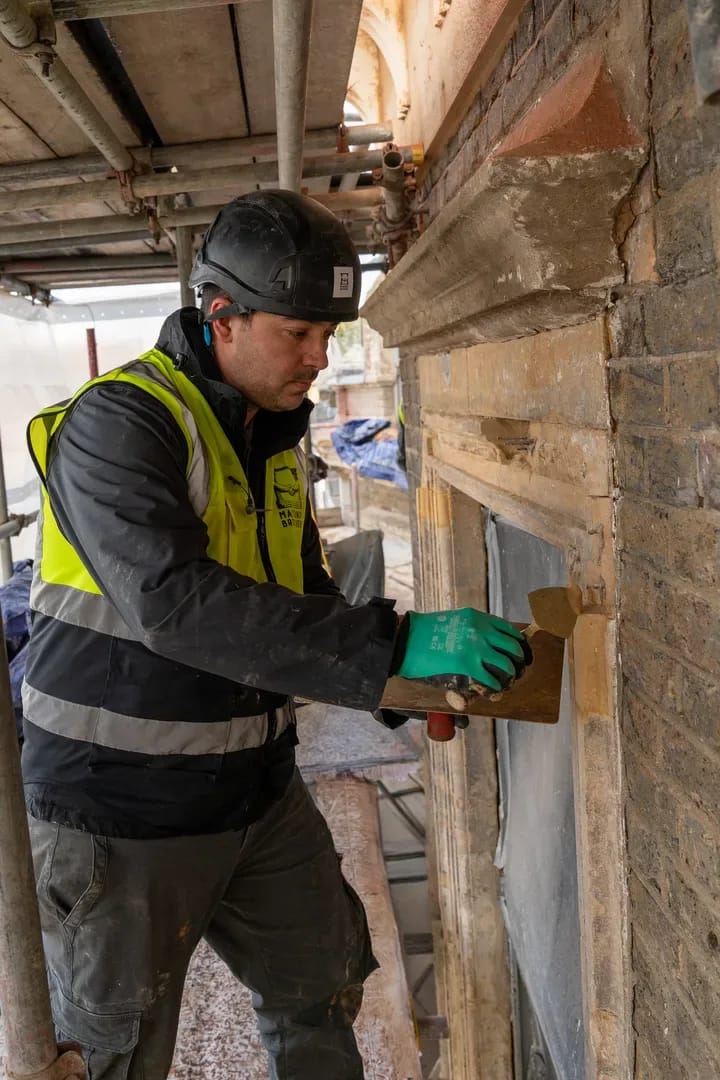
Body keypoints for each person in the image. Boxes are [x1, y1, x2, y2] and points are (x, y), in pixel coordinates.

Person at [22, 189, 531, 1080]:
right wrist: (393, 647)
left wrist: (407, 691)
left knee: (323, 987)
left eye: (327, 336)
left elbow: (303, 607)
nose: (318, 357)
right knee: (110, 1053)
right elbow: (177, 604)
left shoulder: (274, 445)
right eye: (297, 333)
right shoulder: (118, 424)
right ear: (220, 314)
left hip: (256, 792)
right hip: (119, 813)